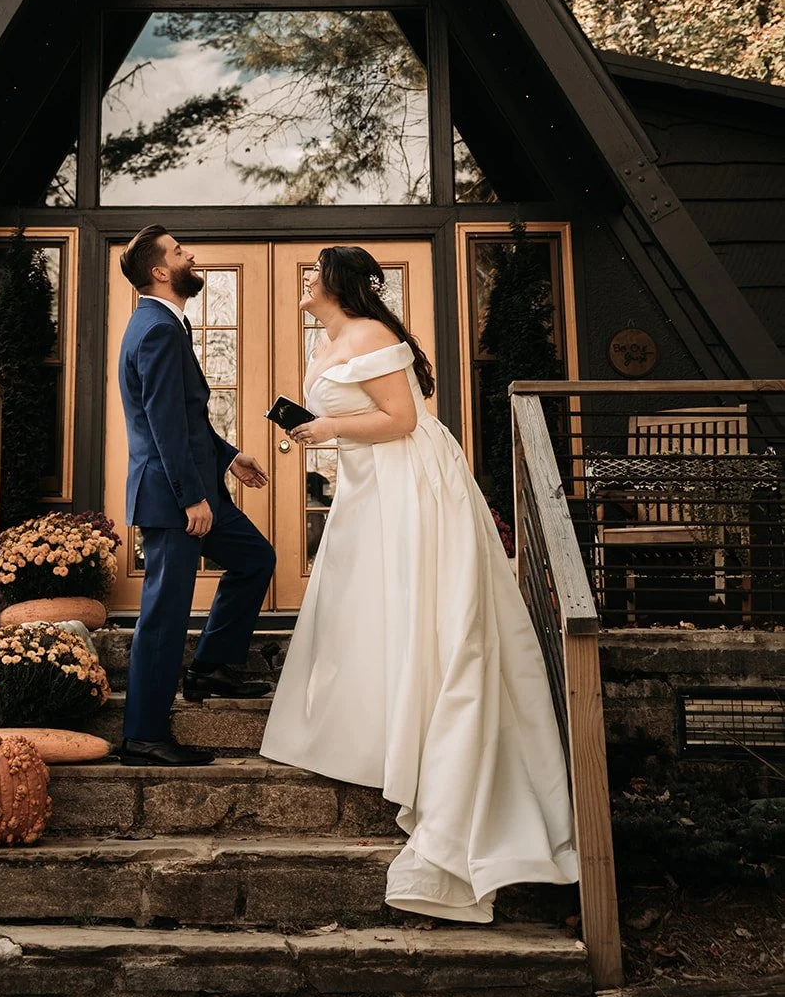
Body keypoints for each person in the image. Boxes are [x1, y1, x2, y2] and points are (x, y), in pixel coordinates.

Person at [259, 245, 578, 921]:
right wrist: (325, 434)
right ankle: (376, 734)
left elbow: (400, 419)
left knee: (422, 612)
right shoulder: (331, 337)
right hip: (367, 486)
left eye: (315, 271)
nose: (307, 280)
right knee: (367, 614)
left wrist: (326, 426)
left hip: (408, 485)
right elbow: (361, 419)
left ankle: (435, 757)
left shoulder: (371, 333)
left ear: (339, 282)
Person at [117, 225, 276, 768]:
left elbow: (185, 419)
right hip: (175, 500)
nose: (191, 257)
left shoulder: (165, 325)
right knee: (164, 615)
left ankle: (212, 667)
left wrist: (229, 456)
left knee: (255, 558)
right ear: (161, 271)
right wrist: (191, 499)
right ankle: (142, 734)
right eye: (180, 252)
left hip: (197, 490)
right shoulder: (157, 329)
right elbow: (162, 424)